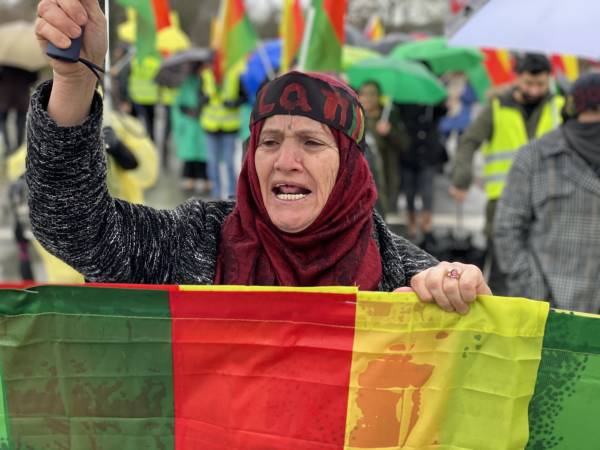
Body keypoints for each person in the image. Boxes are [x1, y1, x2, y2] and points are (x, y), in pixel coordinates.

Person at [29, 0, 491, 315]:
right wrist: (75, 82)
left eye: (311, 142)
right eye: (268, 142)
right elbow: (72, 226)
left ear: (350, 167)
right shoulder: (196, 241)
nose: (285, 161)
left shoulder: (405, 276)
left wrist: (465, 296)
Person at [450, 53, 564, 295]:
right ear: (517, 78)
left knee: (545, 266)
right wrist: (461, 179)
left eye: (541, 84)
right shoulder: (497, 106)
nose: (534, 90)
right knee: (502, 266)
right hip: (502, 201)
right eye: (529, 83)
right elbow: (469, 141)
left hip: (548, 199)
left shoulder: (560, 106)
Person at [494, 72, 600, 313]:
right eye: (591, 110)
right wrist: (533, 292)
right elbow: (507, 229)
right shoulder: (535, 157)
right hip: (550, 310)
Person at [397, 101, 448, 245]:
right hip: (409, 154)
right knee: (409, 191)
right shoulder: (404, 104)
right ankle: (411, 221)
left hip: (428, 154)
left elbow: (443, 111)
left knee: (427, 190)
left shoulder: (433, 105)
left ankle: (426, 224)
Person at [358, 81, 409, 215]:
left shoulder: (388, 116)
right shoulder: (355, 117)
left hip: (384, 178)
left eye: (372, 95)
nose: (368, 98)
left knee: (379, 216)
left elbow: (404, 144)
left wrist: (389, 132)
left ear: (379, 97)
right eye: (364, 94)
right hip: (360, 178)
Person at [200, 65, 248, 200]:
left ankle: (232, 194)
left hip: (229, 127)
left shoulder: (233, 75)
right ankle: (216, 194)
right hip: (211, 127)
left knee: (229, 162)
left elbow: (244, 97)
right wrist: (204, 99)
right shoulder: (206, 75)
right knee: (213, 162)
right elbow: (199, 96)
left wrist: (234, 103)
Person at [0, 65, 38, 155]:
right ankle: (17, 147)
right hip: (20, 93)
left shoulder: (4, 62)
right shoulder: (26, 62)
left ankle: (9, 147)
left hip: (5, 94)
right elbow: (33, 78)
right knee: (18, 121)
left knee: (3, 120)